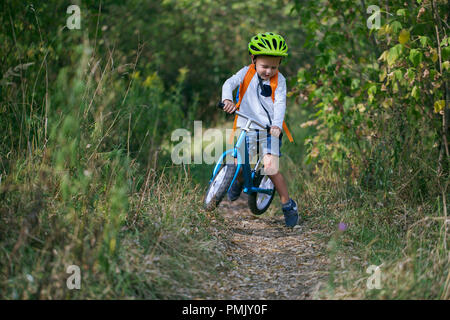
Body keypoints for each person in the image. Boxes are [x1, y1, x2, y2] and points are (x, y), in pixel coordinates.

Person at [221, 32, 299, 227]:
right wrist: (227, 99)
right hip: (246, 126)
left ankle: (287, 204)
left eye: (274, 66)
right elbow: (229, 83)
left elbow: (280, 104)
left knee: (271, 168)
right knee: (240, 163)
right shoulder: (246, 72)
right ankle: (237, 180)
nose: (268, 71)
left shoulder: (279, 81)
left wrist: (276, 125)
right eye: (264, 66)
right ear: (253, 59)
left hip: (269, 130)